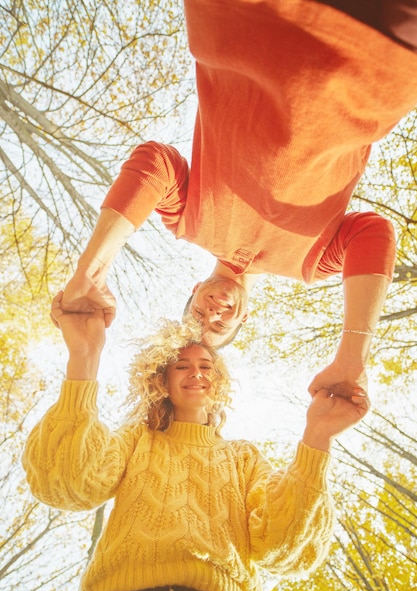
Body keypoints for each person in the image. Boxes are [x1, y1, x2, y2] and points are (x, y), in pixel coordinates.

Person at [60, 0, 417, 396]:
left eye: (199, 315)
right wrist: (353, 355)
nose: (212, 314)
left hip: (249, 20)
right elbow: (375, 234)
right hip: (375, 64)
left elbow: (154, 161)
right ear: (245, 317)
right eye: (219, 326)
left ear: (195, 289)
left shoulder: (186, 223)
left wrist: (91, 271)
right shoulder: (310, 265)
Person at [23, 295, 369, 591]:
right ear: (162, 381)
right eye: (182, 366)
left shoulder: (242, 458)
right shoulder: (137, 440)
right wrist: (83, 357)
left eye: (206, 366)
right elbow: (66, 482)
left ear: (218, 384)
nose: (197, 373)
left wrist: (318, 436)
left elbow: (285, 548)